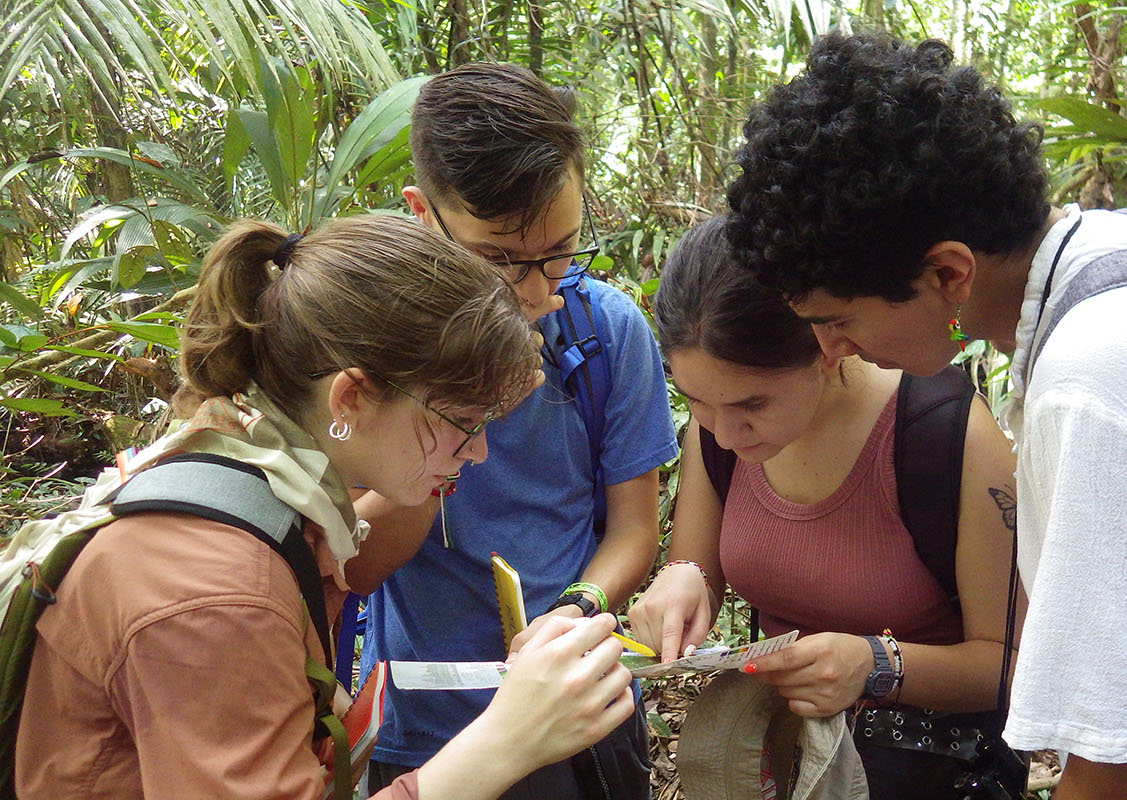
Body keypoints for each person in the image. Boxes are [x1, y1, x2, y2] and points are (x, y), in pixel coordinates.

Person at [722, 32, 1127, 800]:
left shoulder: (1099, 381)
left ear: (946, 272)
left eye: (839, 320)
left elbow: (1125, 769)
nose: (834, 349)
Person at [16, 215, 637, 799]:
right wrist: (505, 741)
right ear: (351, 398)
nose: (477, 452)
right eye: (463, 421)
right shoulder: (217, 590)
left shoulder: (263, 488)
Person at [348, 62, 678, 798]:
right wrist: (464, 417)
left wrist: (578, 607)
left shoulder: (606, 334)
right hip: (424, 731)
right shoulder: (371, 346)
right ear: (423, 214)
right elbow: (352, 566)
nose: (536, 290)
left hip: (576, 724)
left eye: (560, 252)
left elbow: (632, 530)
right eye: (499, 259)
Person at [626, 217, 1024, 798]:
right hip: (779, 761)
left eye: (753, 404)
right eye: (695, 401)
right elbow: (698, 572)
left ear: (827, 348)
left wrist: (875, 664)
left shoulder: (947, 438)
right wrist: (683, 585)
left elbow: (1011, 664)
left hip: (924, 770)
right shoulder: (718, 429)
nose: (726, 431)